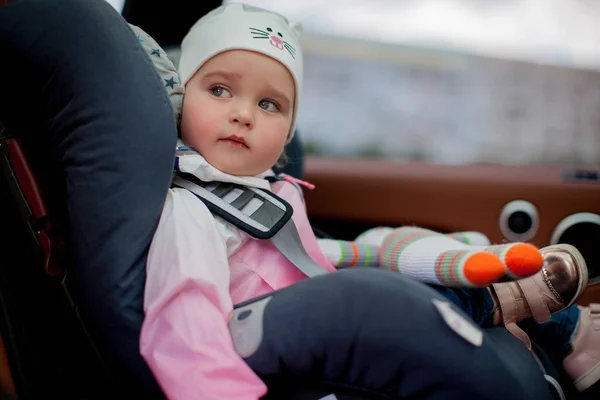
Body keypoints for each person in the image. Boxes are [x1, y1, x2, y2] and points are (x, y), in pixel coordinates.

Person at [139, 3, 600, 399]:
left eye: (269, 104)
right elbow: (185, 322)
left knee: (425, 259)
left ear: (286, 138)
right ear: (180, 101)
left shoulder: (273, 191)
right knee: (425, 296)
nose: (242, 113)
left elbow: (311, 258)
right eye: (220, 90)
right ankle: (558, 325)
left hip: (323, 323)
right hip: (293, 346)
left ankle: (568, 335)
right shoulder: (190, 211)